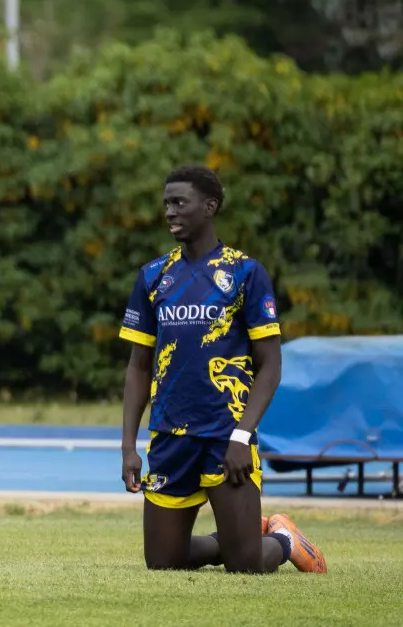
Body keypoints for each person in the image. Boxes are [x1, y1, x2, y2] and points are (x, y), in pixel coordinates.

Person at [119, 165, 326, 575]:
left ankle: (283, 540)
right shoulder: (153, 276)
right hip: (169, 438)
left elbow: (270, 365)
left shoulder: (246, 274)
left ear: (210, 206)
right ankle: (228, 542)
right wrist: (128, 446)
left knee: (246, 566)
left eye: (180, 203)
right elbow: (138, 366)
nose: (170, 212)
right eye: (166, 204)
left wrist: (241, 435)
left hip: (225, 437)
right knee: (162, 562)